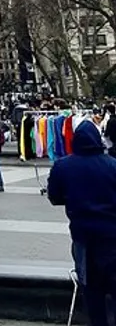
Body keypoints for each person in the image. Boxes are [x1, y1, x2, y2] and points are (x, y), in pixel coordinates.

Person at [48, 121, 116, 326]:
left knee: (91, 289)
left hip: (82, 237)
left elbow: (54, 197)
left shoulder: (63, 165)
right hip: (112, 237)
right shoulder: (112, 164)